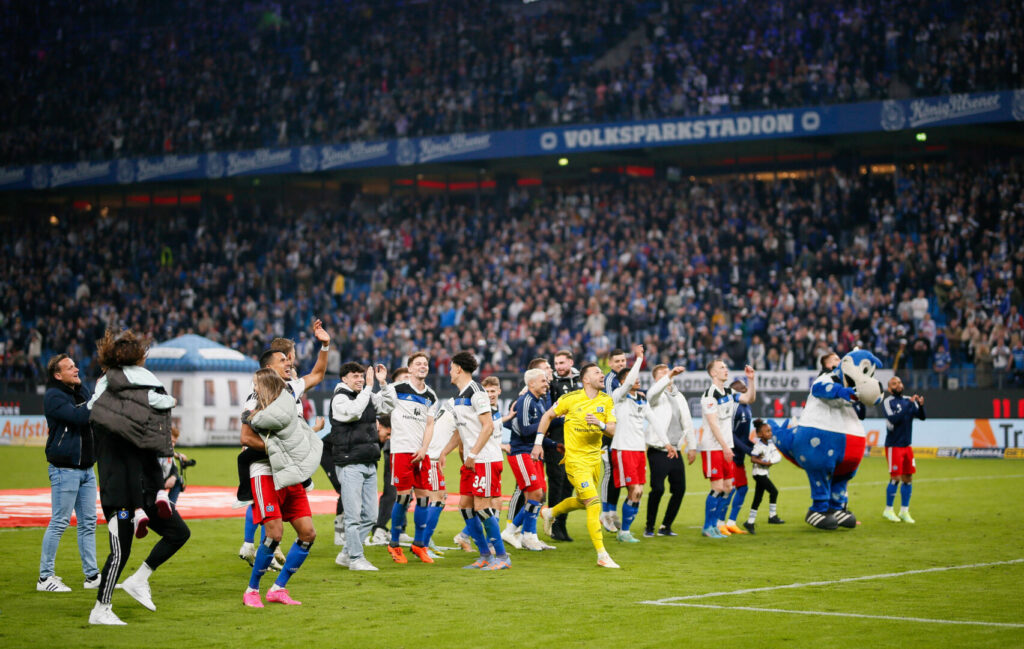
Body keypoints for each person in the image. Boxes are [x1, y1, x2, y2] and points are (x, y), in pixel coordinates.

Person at [86, 330, 190, 625]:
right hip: (119, 489)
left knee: (177, 533)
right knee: (120, 550)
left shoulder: (106, 398)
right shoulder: (122, 402)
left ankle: (138, 581)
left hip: (137, 486)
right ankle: (100, 610)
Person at [238, 325, 330, 566]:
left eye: (289, 358)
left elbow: (318, 374)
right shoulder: (257, 395)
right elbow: (246, 437)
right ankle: (254, 551)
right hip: (265, 463)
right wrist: (275, 449)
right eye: (284, 359)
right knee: (266, 511)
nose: (290, 362)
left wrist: (325, 345)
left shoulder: (291, 387)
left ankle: (266, 553)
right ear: (270, 368)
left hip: (287, 462)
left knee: (301, 529)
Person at [241, 368, 323, 607]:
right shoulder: (252, 406)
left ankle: (278, 588)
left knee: (308, 534)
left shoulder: (288, 401)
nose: (255, 388)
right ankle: (252, 590)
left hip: (289, 473)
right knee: (274, 534)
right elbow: (245, 439)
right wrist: (277, 451)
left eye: (257, 384)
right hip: (264, 471)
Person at [537, 362, 620, 568]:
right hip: (575, 461)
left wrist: (599, 424)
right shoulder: (570, 399)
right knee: (593, 503)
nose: (602, 375)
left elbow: (612, 429)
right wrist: (538, 443)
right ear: (586, 379)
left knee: (584, 502)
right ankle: (602, 554)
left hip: (594, 461)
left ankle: (551, 512)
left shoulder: (606, 400)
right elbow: (548, 415)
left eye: (602, 372)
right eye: (597, 372)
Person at [445, 351, 511, 570]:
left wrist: (472, 454)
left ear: (458, 369)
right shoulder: (457, 397)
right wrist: (443, 453)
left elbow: (488, 426)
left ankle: (501, 557)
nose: (449, 372)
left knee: (482, 507)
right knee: (465, 507)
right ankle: (484, 555)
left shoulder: (477, 392)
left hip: (485, 459)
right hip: (471, 462)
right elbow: (459, 432)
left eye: (451, 367)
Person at [39, 353, 99, 593]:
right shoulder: (54, 396)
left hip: (86, 468)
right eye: (70, 367)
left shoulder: (79, 390)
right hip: (65, 469)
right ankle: (45, 578)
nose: (76, 369)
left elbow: (89, 413)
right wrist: (96, 399)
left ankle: (92, 575)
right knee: (60, 521)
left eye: (75, 365)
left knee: (88, 523)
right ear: (57, 374)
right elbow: (79, 416)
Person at [330, 362, 395, 571]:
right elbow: (354, 413)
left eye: (361, 376)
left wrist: (383, 384)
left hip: (368, 460)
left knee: (371, 516)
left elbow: (389, 407)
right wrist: (368, 387)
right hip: (349, 463)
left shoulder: (365, 394)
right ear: (344, 379)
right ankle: (356, 558)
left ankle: (347, 553)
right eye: (354, 376)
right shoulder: (340, 398)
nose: (359, 379)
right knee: (353, 516)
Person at [386, 352, 437, 564]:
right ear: (410, 369)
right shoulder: (396, 389)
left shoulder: (431, 396)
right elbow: (381, 405)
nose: (422, 366)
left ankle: (419, 545)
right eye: (418, 364)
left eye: (425, 364)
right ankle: (395, 544)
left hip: (421, 452)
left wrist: (425, 449)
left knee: (425, 498)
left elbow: (430, 424)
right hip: (401, 450)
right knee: (404, 497)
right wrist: (380, 383)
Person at [699, 360, 756, 538]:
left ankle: (716, 525)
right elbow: (713, 424)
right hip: (713, 447)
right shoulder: (709, 395)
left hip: (725, 447)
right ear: (713, 373)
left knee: (728, 487)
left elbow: (749, 398)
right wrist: (725, 446)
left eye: (726, 367)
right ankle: (708, 527)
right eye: (722, 367)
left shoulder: (730, 392)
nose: (726, 370)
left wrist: (751, 380)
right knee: (717, 487)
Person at [504, 368, 558, 551]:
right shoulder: (525, 401)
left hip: (533, 453)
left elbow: (541, 430)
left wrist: (552, 444)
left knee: (538, 495)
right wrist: (548, 419)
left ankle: (529, 536)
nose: (546, 383)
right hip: (521, 452)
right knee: (535, 494)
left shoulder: (540, 401)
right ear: (531, 383)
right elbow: (526, 430)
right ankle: (512, 531)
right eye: (543, 380)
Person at [609, 345, 656, 543]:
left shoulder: (641, 400)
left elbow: (654, 421)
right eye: (633, 378)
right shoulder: (619, 396)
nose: (637, 380)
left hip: (638, 450)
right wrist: (638, 359)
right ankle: (624, 531)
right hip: (623, 449)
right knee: (633, 490)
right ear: (624, 382)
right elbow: (628, 381)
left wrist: (668, 444)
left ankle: (626, 531)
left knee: (639, 491)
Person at [645, 364, 696, 537]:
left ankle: (666, 526)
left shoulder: (679, 396)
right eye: (662, 374)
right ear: (655, 379)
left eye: (668, 373)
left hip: (675, 450)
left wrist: (692, 446)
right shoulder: (654, 396)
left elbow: (687, 422)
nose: (667, 375)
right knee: (658, 489)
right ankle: (649, 526)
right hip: (658, 449)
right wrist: (669, 375)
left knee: (679, 489)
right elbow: (652, 393)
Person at [367, 367, 409, 546]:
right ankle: (379, 528)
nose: (408, 380)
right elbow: (383, 417)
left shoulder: (415, 397)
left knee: (408, 492)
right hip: (394, 448)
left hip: (410, 449)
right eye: (404, 377)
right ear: (395, 381)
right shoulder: (391, 395)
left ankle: (399, 528)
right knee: (392, 490)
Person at [545, 349, 580, 541]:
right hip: (557, 441)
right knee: (556, 482)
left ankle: (561, 525)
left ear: (570, 362)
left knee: (569, 484)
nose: (559, 367)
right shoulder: (552, 384)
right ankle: (552, 524)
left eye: (562, 363)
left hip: (575, 441)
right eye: (556, 363)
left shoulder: (581, 383)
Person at [882, 377, 926, 523]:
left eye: (900, 382)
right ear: (889, 389)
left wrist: (920, 406)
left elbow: (922, 417)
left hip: (907, 446)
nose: (898, 385)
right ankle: (888, 510)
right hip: (894, 446)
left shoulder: (908, 400)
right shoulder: (888, 402)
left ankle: (904, 511)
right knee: (895, 478)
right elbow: (894, 419)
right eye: (894, 384)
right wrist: (909, 404)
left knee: (908, 478)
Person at [600, 348, 629, 532]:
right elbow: (612, 405)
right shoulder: (610, 380)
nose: (620, 364)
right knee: (610, 471)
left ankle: (612, 512)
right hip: (607, 434)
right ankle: (605, 513)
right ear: (610, 363)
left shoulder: (624, 380)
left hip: (621, 433)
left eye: (623, 361)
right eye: (617, 361)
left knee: (618, 474)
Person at [744, 419, 784, 534]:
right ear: (760, 434)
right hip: (758, 474)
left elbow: (776, 455)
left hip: (764, 473)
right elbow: (753, 458)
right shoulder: (758, 446)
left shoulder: (770, 444)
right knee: (774, 492)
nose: (770, 433)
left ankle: (750, 522)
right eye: (767, 431)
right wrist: (765, 463)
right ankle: (772, 516)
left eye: (770, 431)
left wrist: (772, 460)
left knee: (758, 498)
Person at [723, 380, 753, 535]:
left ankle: (731, 522)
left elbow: (744, 434)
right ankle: (720, 523)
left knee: (743, 488)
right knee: (730, 489)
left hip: (740, 455)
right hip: (731, 454)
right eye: (742, 387)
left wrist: (754, 448)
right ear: (735, 391)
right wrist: (748, 450)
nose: (745, 389)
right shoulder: (733, 407)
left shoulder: (747, 408)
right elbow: (730, 434)